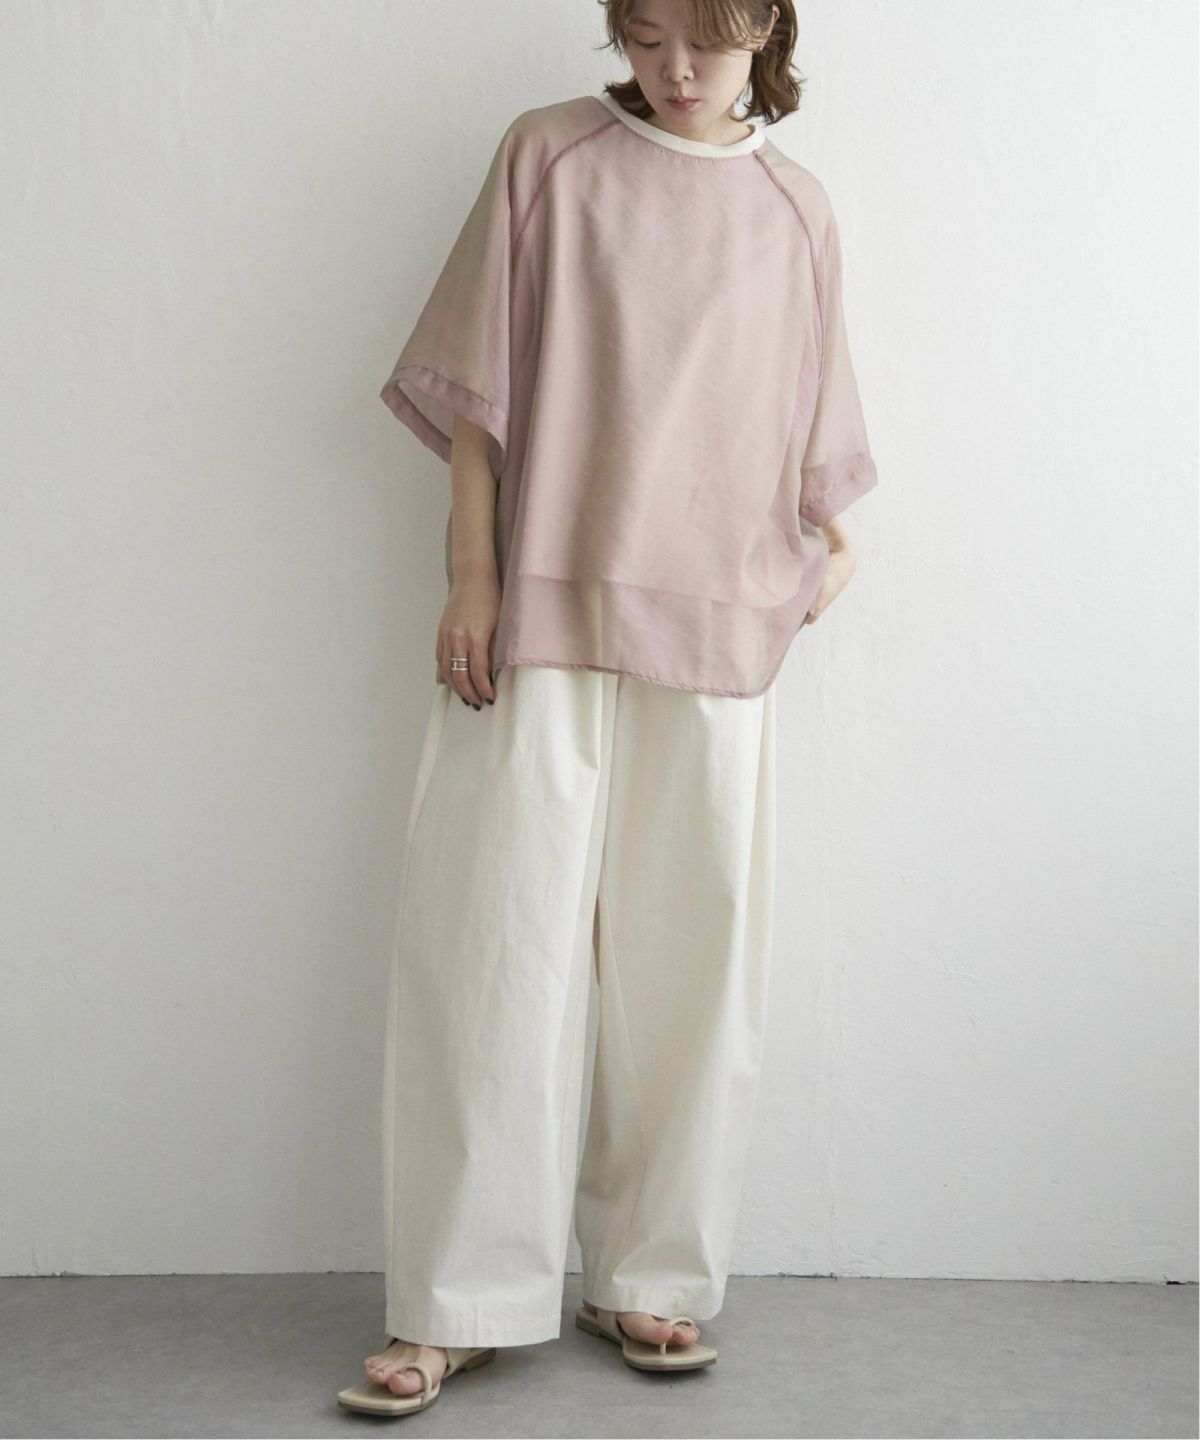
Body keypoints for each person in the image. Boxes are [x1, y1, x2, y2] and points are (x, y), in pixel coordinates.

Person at [338, 0, 878, 1417]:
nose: (676, 69)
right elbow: (478, 398)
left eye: (708, 37)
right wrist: (471, 577)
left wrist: (819, 572)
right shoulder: (550, 156)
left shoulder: (797, 210)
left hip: (718, 629)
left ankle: (651, 1274)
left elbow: (814, 439)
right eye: (644, 36)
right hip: (544, 606)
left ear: (766, 26)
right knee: (492, 949)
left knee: (691, 966)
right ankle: (456, 1301)